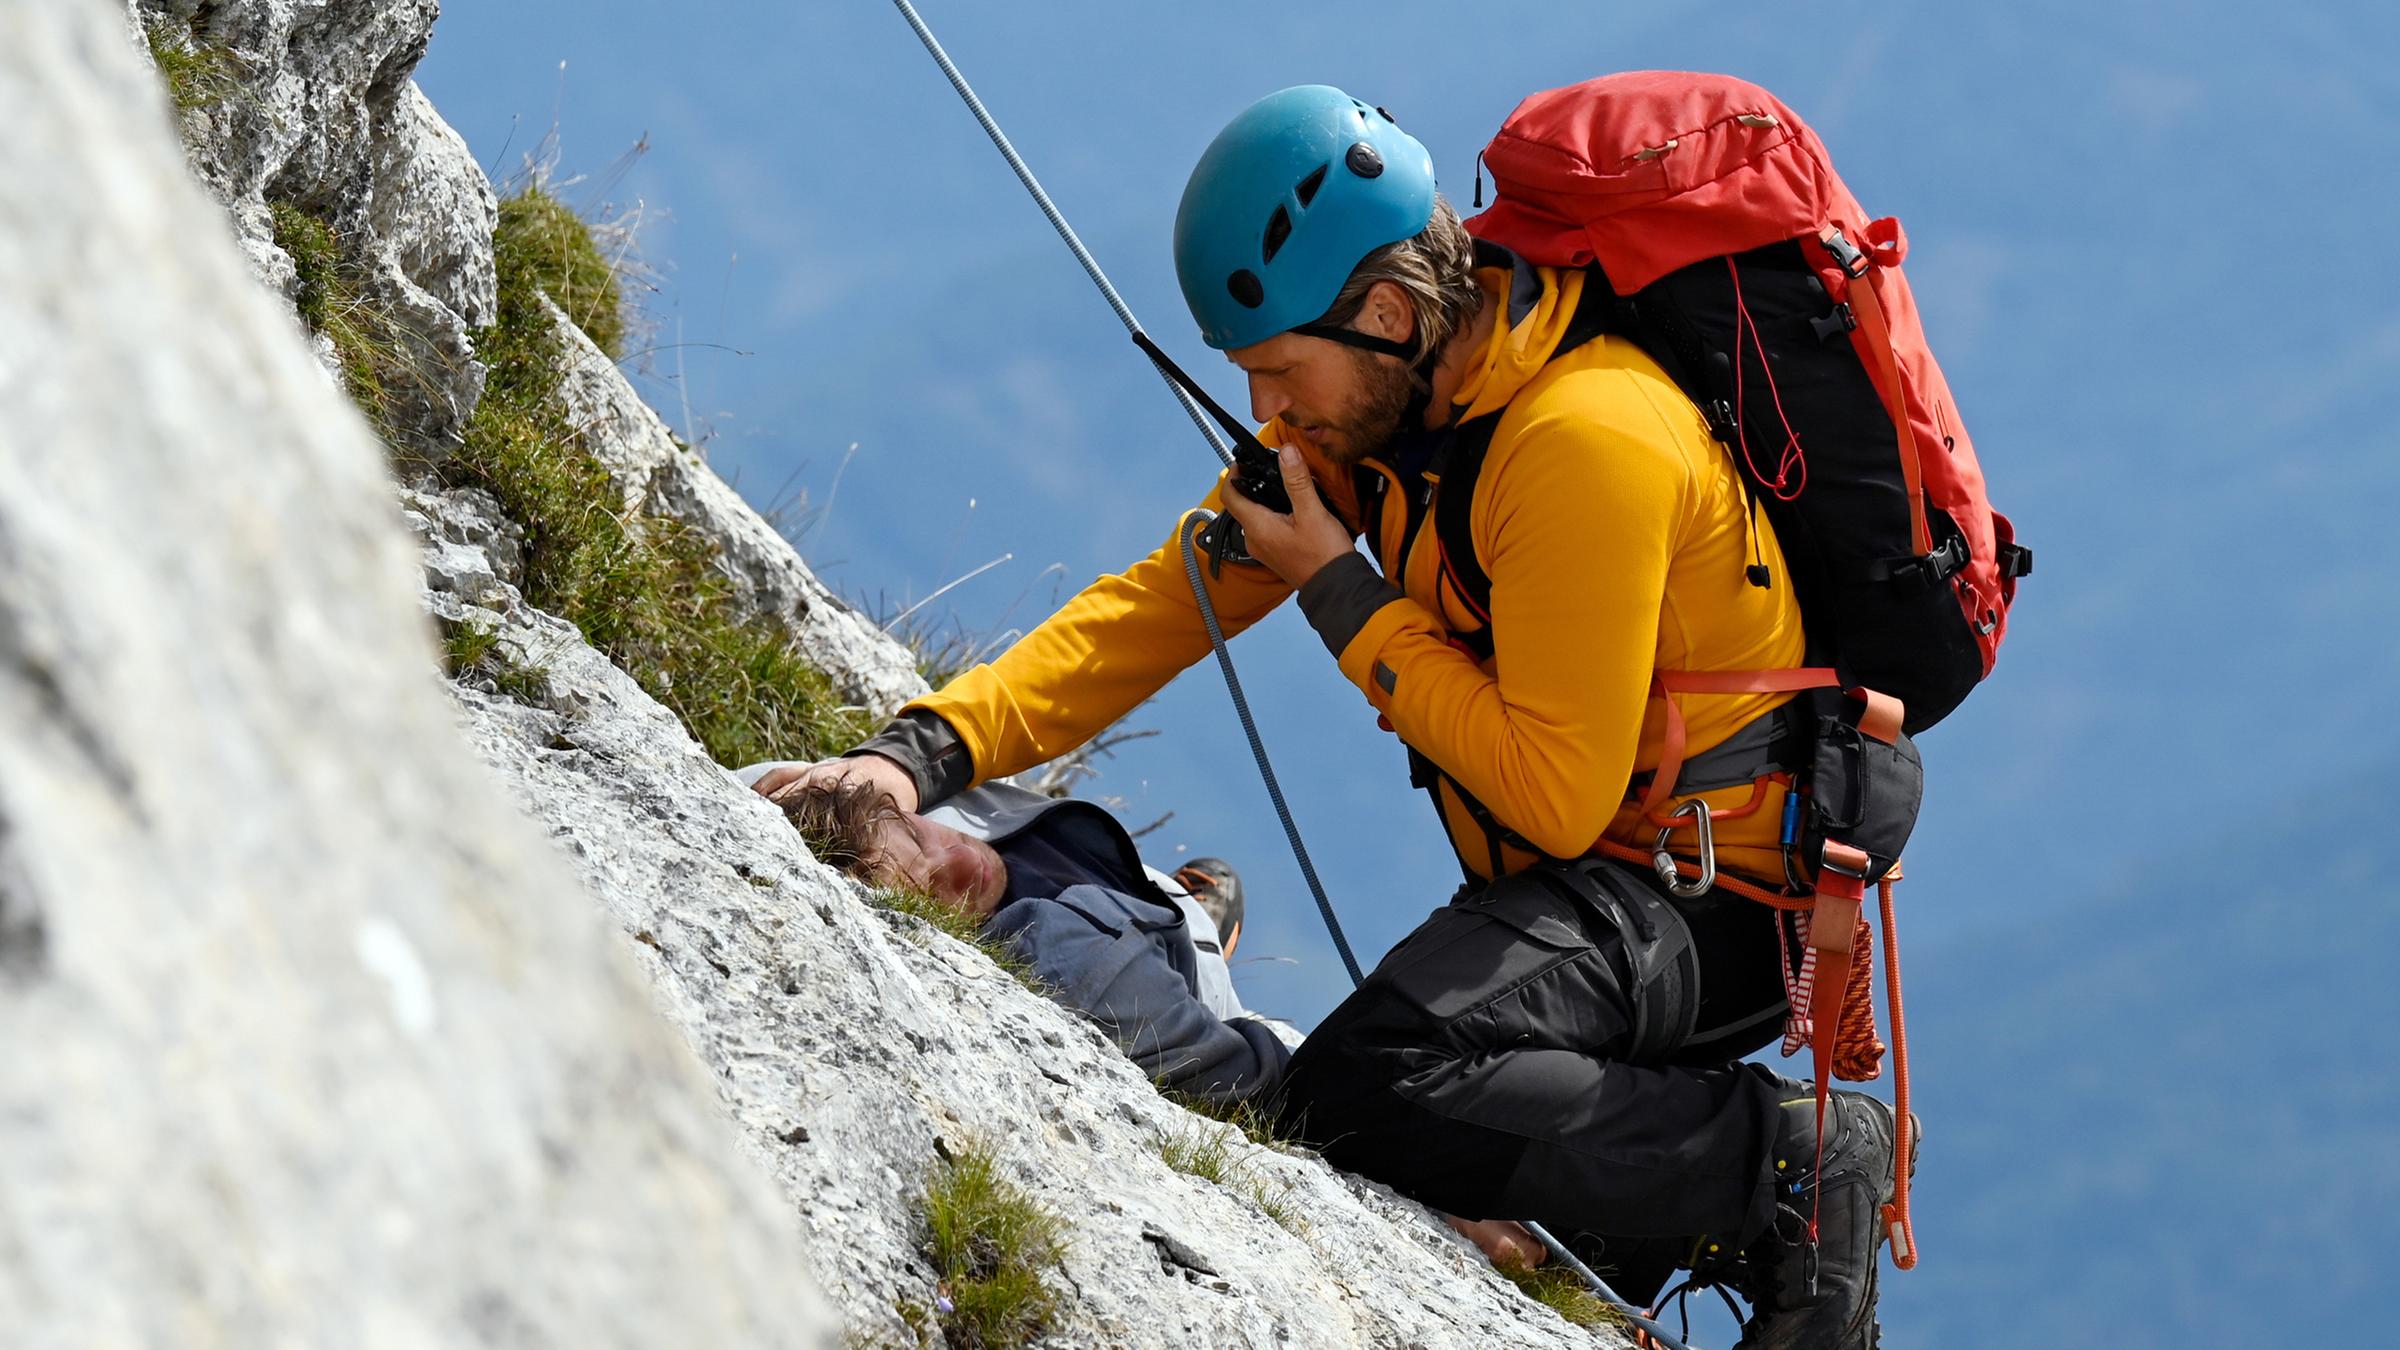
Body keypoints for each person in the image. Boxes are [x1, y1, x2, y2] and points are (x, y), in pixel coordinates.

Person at [759, 85, 1904, 1344]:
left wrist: (1342, 594)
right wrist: (909, 758)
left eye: (1276, 371)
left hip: (1709, 906)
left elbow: (1559, 793)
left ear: (1389, 315)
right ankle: (1626, 1207)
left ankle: (1782, 1170)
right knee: (1374, 1090)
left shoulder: (1583, 441)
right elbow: (1162, 602)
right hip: (1597, 884)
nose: (1266, 413)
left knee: (1376, 1081)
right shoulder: (1387, 409)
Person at [741, 763, 1288, 1106]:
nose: (953, 858)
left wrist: (858, 771)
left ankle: (1175, 902)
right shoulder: (1085, 969)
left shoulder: (892, 798)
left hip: (1126, 884)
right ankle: (1205, 938)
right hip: (1178, 976)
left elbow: (737, 791)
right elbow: (1258, 1082)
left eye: (914, 833)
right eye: (931, 890)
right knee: (1200, 963)